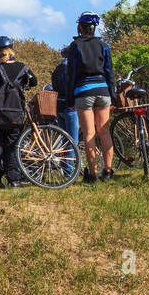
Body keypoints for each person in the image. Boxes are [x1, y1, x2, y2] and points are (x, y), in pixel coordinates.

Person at [66, 12, 116, 183]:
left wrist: (69, 98)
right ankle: (108, 171)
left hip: (83, 92)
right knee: (104, 132)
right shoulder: (104, 45)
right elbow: (110, 72)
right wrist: (113, 95)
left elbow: (71, 73)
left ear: (80, 27)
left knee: (89, 134)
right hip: (103, 90)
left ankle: (93, 175)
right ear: (94, 28)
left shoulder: (75, 46)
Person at [0, 36, 36, 188]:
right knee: (12, 147)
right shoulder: (22, 67)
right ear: (11, 49)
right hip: (15, 114)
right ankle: (14, 180)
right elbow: (34, 81)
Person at [49, 55, 78, 177]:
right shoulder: (72, 69)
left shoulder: (57, 70)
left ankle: (64, 168)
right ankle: (68, 172)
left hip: (58, 107)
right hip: (70, 107)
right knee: (72, 141)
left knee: (64, 139)